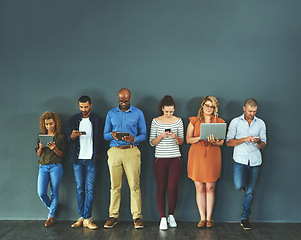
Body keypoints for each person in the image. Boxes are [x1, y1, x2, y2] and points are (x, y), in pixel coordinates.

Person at [103, 88, 147, 229]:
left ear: (130, 98)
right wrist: (112, 135)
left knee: (134, 185)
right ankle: (113, 216)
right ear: (118, 98)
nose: (123, 103)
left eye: (126, 101)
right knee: (115, 186)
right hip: (115, 151)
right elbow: (104, 134)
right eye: (121, 101)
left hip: (132, 151)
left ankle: (137, 217)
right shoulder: (111, 113)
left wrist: (134, 138)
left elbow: (144, 134)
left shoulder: (138, 113)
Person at [226, 98, 267, 230]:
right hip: (240, 160)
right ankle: (245, 186)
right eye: (250, 111)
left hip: (255, 161)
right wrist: (245, 139)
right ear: (244, 108)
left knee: (249, 192)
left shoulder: (260, 123)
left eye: (254, 111)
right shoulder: (235, 122)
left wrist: (257, 142)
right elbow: (229, 142)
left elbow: (264, 145)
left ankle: (245, 218)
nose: (252, 114)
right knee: (239, 185)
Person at [186, 96, 225, 228]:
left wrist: (214, 141)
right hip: (197, 156)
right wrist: (199, 137)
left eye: (212, 106)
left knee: (210, 187)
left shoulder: (219, 121)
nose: (209, 108)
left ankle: (209, 219)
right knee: (199, 188)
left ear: (215, 109)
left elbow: (221, 142)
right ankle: (202, 218)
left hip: (213, 156)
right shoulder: (194, 121)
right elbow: (188, 139)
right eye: (207, 105)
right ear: (202, 106)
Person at [149, 95, 184, 230]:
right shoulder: (156, 121)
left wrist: (175, 137)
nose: (169, 114)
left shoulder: (178, 121)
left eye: (171, 111)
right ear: (162, 109)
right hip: (160, 158)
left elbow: (182, 142)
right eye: (167, 111)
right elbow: (152, 143)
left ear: (174, 109)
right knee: (161, 188)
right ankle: (162, 218)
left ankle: (171, 215)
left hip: (175, 158)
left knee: (173, 188)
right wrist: (161, 136)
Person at [68, 96, 102, 230]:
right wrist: (72, 136)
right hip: (78, 159)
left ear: (91, 105)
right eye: (81, 107)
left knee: (90, 189)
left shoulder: (97, 120)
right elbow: (68, 138)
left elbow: (100, 140)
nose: (83, 109)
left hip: (91, 159)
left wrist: (97, 155)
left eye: (86, 107)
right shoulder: (73, 119)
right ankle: (81, 217)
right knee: (79, 189)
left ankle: (87, 218)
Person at [35, 112, 67, 227]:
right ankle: (52, 207)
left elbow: (62, 155)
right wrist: (40, 147)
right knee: (41, 192)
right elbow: (39, 154)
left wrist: (54, 148)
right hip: (43, 166)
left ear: (56, 123)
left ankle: (50, 216)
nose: (49, 126)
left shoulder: (61, 137)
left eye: (51, 124)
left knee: (54, 192)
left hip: (56, 166)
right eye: (47, 124)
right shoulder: (40, 136)